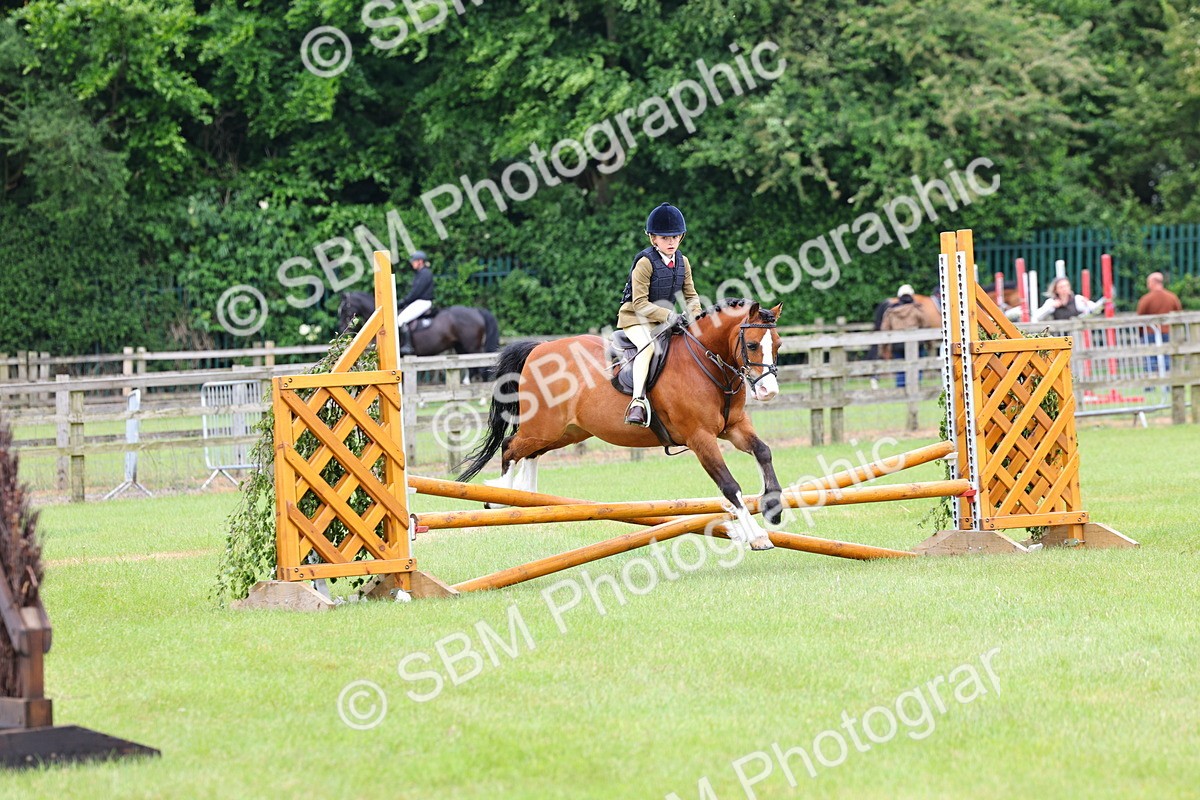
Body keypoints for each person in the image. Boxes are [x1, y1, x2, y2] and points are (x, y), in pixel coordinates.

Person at [615, 203, 702, 426]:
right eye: (664, 238)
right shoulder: (644, 263)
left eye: (675, 236)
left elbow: (691, 295)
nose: (671, 242)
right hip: (635, 318)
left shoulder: (683, 262)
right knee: (648, 347)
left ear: (681, 237)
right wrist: (670, 316)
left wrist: (696, 316)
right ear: (653, 239)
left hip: (661, 320)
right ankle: (637, 403)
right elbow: (640, 303)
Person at [879, 284, 926, 388]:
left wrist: (884, 347)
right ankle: (916, 388)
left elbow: (884, 329)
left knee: (901, 369)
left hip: (898, 345)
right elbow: (924, 325)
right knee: (917, 366)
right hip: (916, 344)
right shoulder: (916, 309)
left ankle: (901, 390)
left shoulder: (891, 311)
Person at [1136, 272, 1182, 371]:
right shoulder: (1172, 297)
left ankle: (1150, 384)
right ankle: (1167, 383)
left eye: (1148, 282)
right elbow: (1178, 315)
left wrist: (1140, 333)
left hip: (1150, 332)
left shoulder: (1146, 299)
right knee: (1167, 356)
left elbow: (1140, 318)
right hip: (1167, 332)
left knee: (1150, 357)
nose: (1148, 285)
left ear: (1153, 282)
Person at [397, 251, 434, 355]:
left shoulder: (425, 273)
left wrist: (403, 302)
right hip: (419, 301)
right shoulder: (421, 273)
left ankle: (408, 346)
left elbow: (416, 292)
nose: (412, 263)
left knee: (400, 320)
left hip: (423, 302)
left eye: (414, 261)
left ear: (420, 261)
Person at [1031, 276, 1103, 322]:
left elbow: (1096, 309)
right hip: (1057, 336)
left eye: (1066, 286)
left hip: (1075, 336)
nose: (1064, 289)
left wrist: (1087, 304)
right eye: (1061, 287)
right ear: (1056, 290)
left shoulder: (1077, 299)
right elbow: (1036, 317)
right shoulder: (1051, 302)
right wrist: (1050, 307)